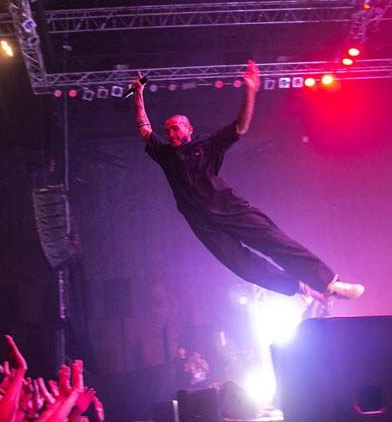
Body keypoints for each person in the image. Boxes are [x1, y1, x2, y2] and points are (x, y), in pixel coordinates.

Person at [131, 60, 365, 304]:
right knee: (244, 267)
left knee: (273, 240)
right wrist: (138, 95)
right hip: (202, 222)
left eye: (176, 128)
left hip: (229, 208)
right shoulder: (166, 155)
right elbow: (144, 129)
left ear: (189, 129)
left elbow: (240, 127)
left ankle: (329, 284)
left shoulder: (207, 146)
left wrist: (250, 91)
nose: (171, 134)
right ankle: (304, 289)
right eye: (167, 130)